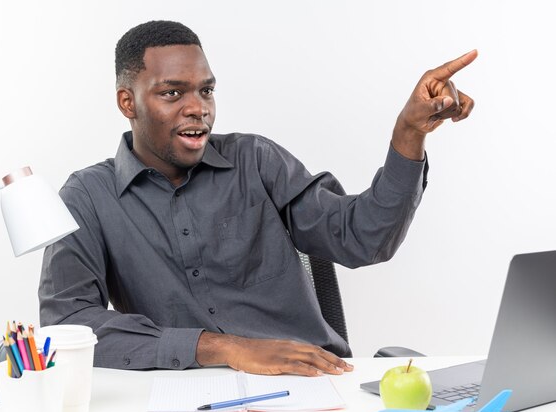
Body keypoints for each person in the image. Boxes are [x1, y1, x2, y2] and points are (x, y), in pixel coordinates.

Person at [39, 20, 476, 377]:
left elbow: (364, 239)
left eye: (206, 90)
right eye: (173, 93)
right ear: (127, 102)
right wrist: (221, 348)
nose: (199, 108)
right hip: (183, 399)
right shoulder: (87, 198)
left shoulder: (256, 160)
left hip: (310, 383)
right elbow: (65, 325)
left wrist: (409, 133)